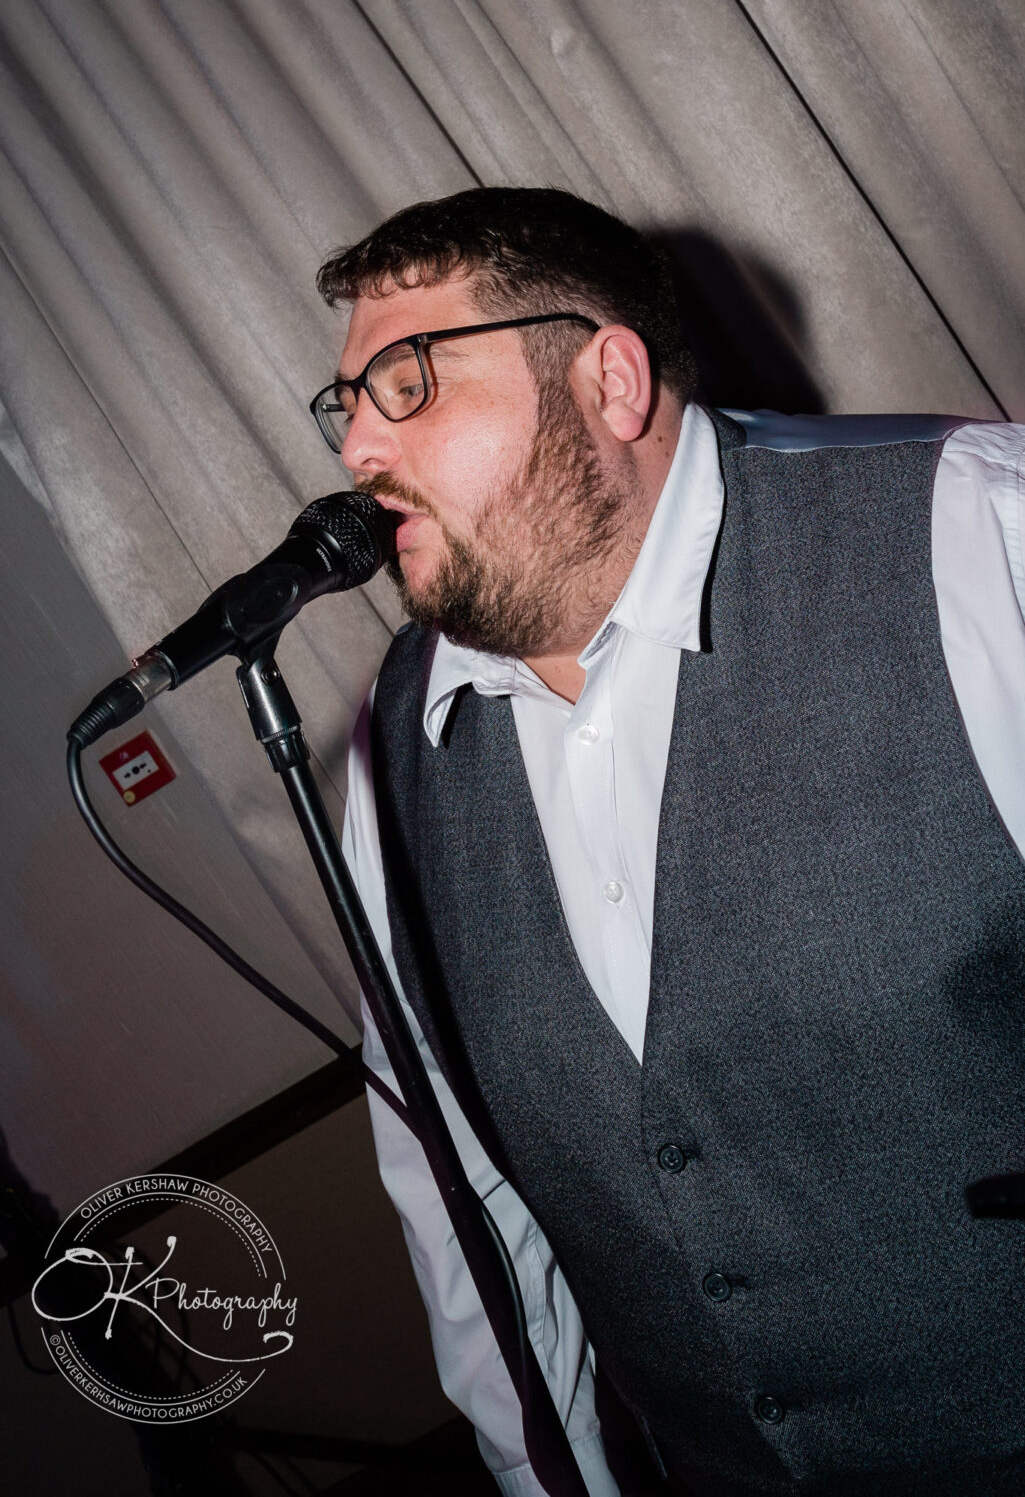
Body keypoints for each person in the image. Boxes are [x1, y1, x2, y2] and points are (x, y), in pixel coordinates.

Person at [310, 187, 1025, 1497]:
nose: (357, 445)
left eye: (407, 382)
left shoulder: (973, 532)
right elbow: (463, 1217)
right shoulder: (393, 746)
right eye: (344, 402)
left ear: (611, 378)